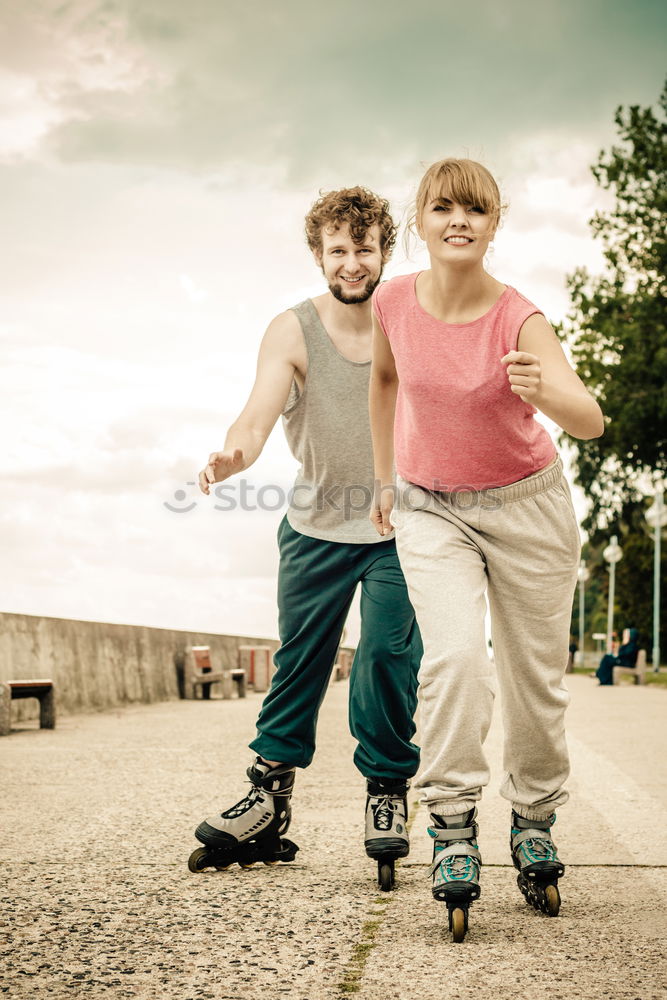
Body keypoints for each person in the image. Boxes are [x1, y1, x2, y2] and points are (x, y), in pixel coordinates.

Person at [369, 158, 604, 939]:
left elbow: (589, 418)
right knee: (455, 660)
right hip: (432, 505)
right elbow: (383, 383)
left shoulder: (519, 317)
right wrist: (381, 478)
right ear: (421, 221)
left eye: (475, 209)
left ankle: (533, 818)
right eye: (442, 208)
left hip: (527, 508)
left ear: (494, 224)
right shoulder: (393, 300)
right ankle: (452, 822)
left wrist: (545, 392)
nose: (458, 220)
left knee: (533, 677)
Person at [189, 187, 422, 891]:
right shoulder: (291, 330)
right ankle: (267, 797)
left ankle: (386, 790)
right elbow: (256, 413)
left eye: (365, 248)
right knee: (300, 663)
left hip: (394, 524)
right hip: (314, 528)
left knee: (385, 654)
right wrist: (236, 454)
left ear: (385, 250)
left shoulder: (411, 320)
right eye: (338, 250)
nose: (353, 263)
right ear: (319, 255)